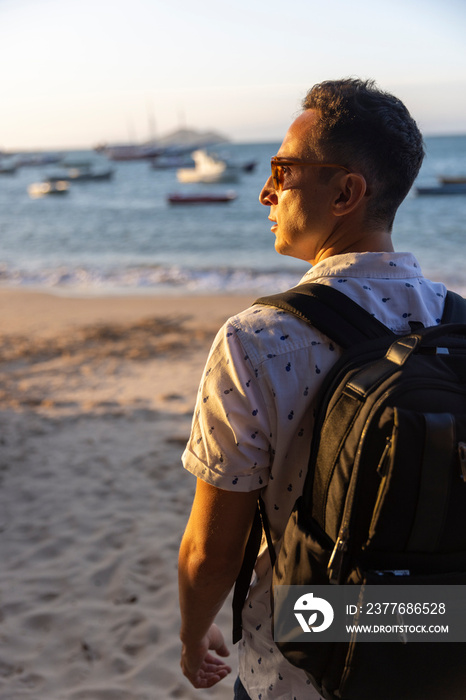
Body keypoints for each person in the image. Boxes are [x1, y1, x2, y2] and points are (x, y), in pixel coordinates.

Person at [178, 78, 447, 699]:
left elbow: (210, 553)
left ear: (347, 192)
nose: (266, 191)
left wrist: (194, 638)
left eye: (283, 169)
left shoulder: (258, 340)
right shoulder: (456, 324)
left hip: (303, 666)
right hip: (438, 646)